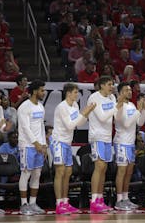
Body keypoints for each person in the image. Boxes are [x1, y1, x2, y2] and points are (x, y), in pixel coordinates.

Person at [50, 83, 96, 214]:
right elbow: (70, 125)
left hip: (67, 143)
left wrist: (86, 114)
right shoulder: (62, 107)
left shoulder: (75, 105)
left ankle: (65, 202)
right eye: (75, 92)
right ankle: (59, 204)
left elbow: (79, 124)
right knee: (60, 172)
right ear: (68, 93)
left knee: (68, 172)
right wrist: (84, 113)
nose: (77, 94)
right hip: (58, 141)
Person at [87, 76, 124, 213]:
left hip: (108, 136)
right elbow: (102, 117)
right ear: (101, 85)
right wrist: (116, 106)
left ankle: (100, 199)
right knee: (99, 166)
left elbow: (116, 117)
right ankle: (94, 201)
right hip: (97, 136)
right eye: (109, 84)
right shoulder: (94, 98)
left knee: (104, 168)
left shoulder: (112, 98)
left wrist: (118, 106)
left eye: (112, 84)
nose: (112, 87)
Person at [114, 82, 145, 211]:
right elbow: (127, 123)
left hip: (130, 143)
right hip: (121, 142)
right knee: (122, 171)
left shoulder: (131, 105)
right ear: (120, 92)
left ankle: (125, 198)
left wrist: (143, 109)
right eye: (126, 90)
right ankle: (119, 200)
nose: (129, 92)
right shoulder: (118, 106)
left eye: (130, 90)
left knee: (129, 172)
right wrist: (139, 110)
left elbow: (139, 122)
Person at [17, 79, 47, 215]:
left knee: (37, 174)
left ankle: (33, 203)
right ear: (35, 91)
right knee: (26, 173)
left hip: (39, 146)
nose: (44, 92)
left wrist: (44, 144)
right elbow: (25, 127)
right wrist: (36, 143)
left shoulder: (40, 106)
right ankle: (24, 205)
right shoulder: (24, 107)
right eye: (42, 90)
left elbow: (41, 126)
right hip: (27, 145)